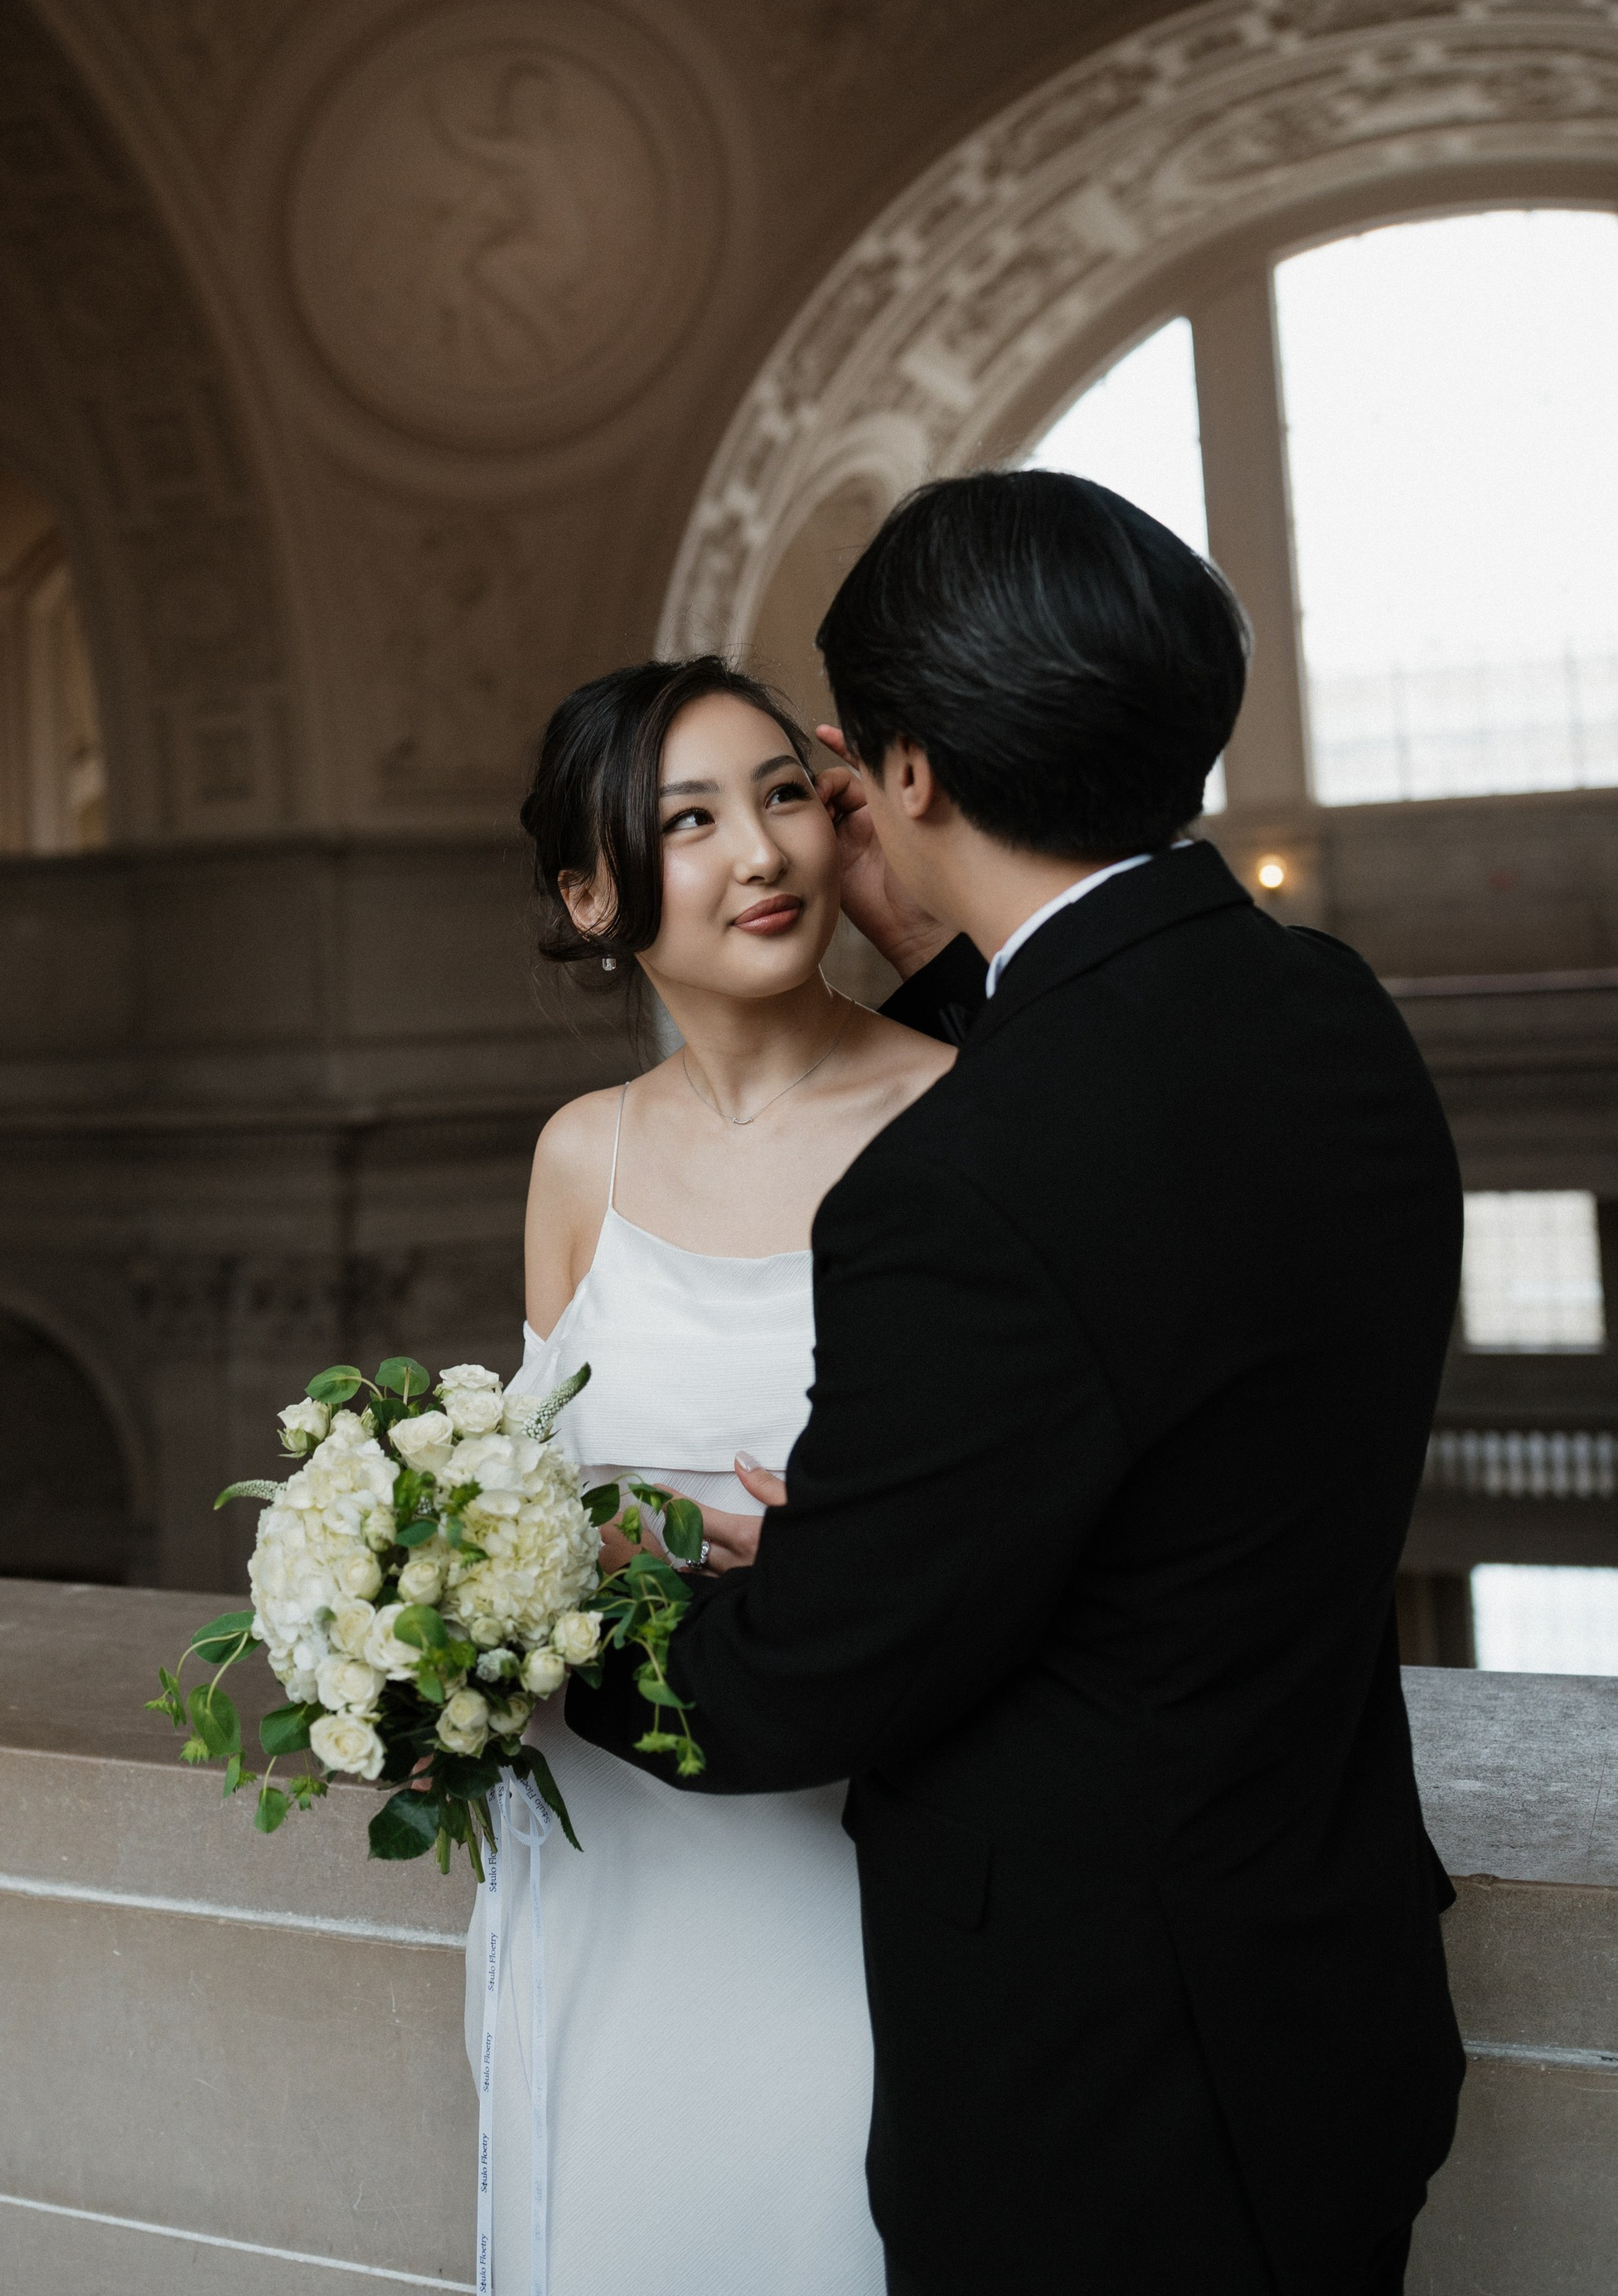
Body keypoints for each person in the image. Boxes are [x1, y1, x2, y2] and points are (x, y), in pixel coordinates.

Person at [568, 471, 1465, 2296]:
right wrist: (947, 954)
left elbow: (803, 1681)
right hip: (1326, 2005)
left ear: (898, 772)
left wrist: (511, 1630)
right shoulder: (1330, 1013)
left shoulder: (959, 1187)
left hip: (1101, 2095)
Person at [469, 654, 957, 2295]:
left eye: (782, 797)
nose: (760, 853)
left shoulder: (958, 1121)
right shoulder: (580, 1154)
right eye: (688, 821)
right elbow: (522, 1499)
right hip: (603, 1856)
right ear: (592, 895)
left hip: (850, 1855)